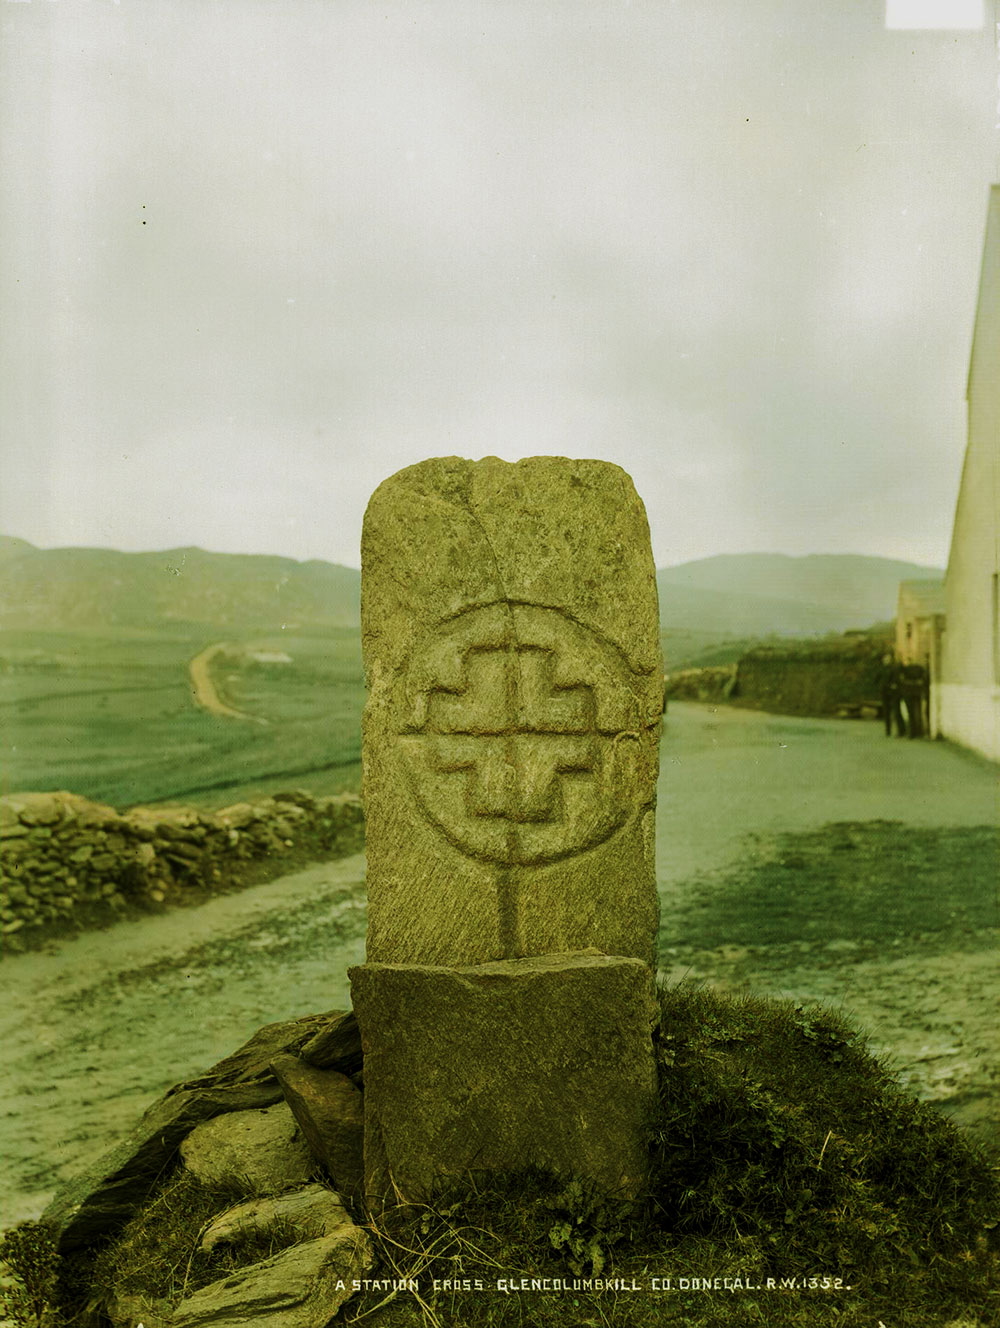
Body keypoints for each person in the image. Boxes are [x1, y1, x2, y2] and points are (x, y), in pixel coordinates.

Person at [878, 653, 904, 737]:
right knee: (886, 712)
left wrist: (893, 686)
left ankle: (901, 731)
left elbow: (896, 681)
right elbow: (878, 679)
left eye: (888, 659)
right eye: (885, 659)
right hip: (885, 692)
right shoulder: (882, 669)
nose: (886, 661)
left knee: (896, 711)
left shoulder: (894, 668)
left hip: (894, 693)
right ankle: (888, 730)